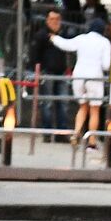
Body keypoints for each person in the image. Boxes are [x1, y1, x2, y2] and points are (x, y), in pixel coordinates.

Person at [50, 18, 111, 149]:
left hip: (78, 76)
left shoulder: (82, 38)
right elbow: (106, 65)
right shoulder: (105, 42)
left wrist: (54, 38)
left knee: (82, 107)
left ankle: (76, 134)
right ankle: (92, 141)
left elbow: (67, 45)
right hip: (95, 77)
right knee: (94, 110)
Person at [28, 8, 69, 139]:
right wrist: (37, 71)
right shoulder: (40, 35)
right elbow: (34, 55)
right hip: (46, 72)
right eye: (52, 19)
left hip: (61, 73)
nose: (55, 22)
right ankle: (47, 132)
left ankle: (61, 133)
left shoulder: (63, 35)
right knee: (47, 103)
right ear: (47, 20)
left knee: (63, 103)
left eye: (57, 19)